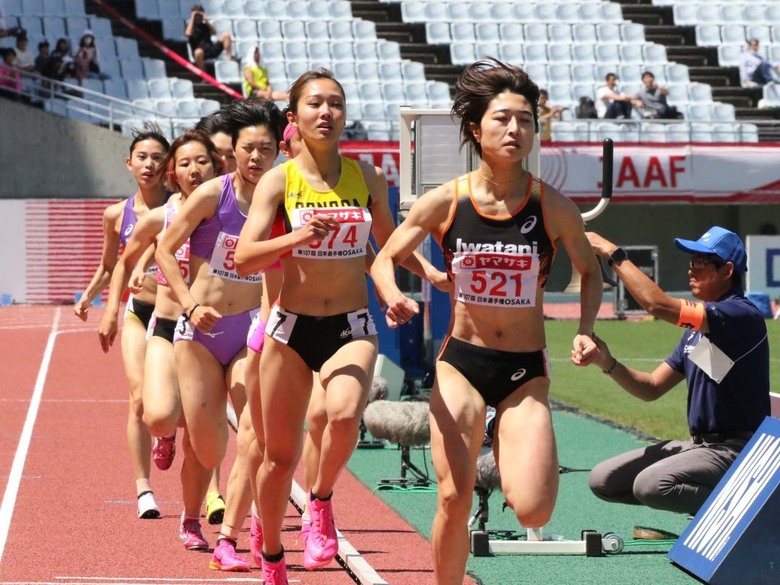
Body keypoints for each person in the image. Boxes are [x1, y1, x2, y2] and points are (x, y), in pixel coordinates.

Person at [369, 58, 602, 585]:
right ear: (476, 129)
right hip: (463, 364)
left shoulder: (552, 206)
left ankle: (507, 431)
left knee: (534, 509)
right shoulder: (447, 200)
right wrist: (392, 292)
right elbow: (386, 257)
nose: (515, 129)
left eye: (525, 119)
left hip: (524, 371)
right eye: (502, 119)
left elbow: (591, 273)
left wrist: (586, 329)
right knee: (452, 496)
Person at [234, 68, 447, 585]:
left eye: (335, 104)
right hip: (290, 327)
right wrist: (298, 235)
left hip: (350, 323)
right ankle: (271, 553)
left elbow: (389, 246)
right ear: (295, 118)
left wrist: (436, 276)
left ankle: (322, 501)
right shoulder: (278, 180)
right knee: (277, 459)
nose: (325, 112)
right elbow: (243, 258)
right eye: (314, 104)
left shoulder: (367, 177)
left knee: (346, 414)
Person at [155, 98, 283, 552]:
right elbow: (164, 251)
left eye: (264, 149)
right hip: (201, 335)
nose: (254, 158)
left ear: (277, 152)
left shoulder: (285, 197)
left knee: (255, 436)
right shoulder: (215, 194)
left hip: (250, 329)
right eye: (246, 148)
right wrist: (189, 305)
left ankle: (233, 534)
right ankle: (191, 516)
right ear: (234, 152)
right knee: (208, 449)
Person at [585, 226, 770, 515]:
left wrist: (613, 254)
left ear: (727, 270)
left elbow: (656, 304)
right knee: (604, 480)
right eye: (691, 263)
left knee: (652, 485)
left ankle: (748, 512)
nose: (691, 270)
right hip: (700, 447)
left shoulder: (741, 315)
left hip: (736, 450)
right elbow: (651, 387)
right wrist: (606, 362)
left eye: (700, 263)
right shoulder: (697, 334)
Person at [99, 130, 222, 547]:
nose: (193, 170)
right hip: (168, 327)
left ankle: (198, 520)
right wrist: (128, 282)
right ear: (174, 172)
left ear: (215, 166)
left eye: (202, 162)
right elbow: (123, 262)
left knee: (206, 439)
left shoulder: (232, 211)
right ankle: (164, 438)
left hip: (214, 332)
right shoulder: (160, 217)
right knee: (158, 416)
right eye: (185, 164)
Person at [74, 122, 170, 519]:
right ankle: (143, 489)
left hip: (174, 314)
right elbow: (110, 265)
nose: (149, 164)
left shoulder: (185, 205)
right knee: (138, 399)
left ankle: (166, 434)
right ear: (128, 163)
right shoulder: (115, 215)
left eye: (157, 158)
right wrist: (93, 300)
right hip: (138, 311)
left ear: (169, 166)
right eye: (142, 157)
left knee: (170, 408)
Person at [185, 3, 235, 71]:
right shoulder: (190, 26)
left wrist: (207, 21)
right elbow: (188, 34)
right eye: (196, 15)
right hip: (200, 53)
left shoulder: (205, 25)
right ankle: (204, 74)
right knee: (198, 52)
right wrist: (192, 17)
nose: (198, 17)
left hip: (211, 49)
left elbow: (214, 32)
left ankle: (229, 59)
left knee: (226, 35)